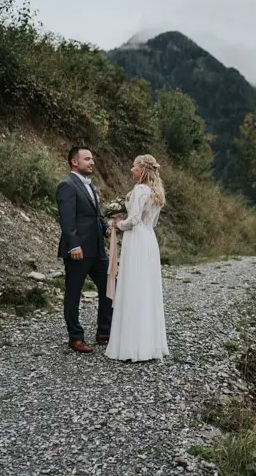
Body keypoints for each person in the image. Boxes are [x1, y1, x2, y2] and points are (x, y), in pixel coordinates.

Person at [105, 154, 169, 362]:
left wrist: (118, 225)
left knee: (134, 286)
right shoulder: (156, 192)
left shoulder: (141, 190)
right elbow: (153, 222)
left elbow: (133, 219)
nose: (131, 170)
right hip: (149, 239)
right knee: (146, 288)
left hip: (136, 240)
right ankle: (148, 345)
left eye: (133, 166)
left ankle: (131, 346)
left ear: (141, 169)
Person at [55, 146, 113, 354]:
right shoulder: (67, 185)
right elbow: (67, 219)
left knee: (109, 286)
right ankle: (75, 337)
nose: (92, 162)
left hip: (97, 249)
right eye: (87, 159)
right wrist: (74, 245)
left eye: (92, 159)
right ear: (74, 162)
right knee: (73, 293)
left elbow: (96, 216)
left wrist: (106, 228)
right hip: (78, 249)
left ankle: (104, 331)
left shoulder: (91, 186)